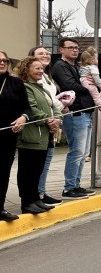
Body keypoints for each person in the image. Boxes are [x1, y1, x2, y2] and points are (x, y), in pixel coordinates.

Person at [15, 57, 62, 214]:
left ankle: (35, 199)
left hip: (43, 137)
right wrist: (49, 120)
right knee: (27, 171)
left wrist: (57, 118)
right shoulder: (25, 87)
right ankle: (27, 202)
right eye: (37, 68)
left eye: (42, 68)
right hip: (31, 136)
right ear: (26, 70)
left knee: (37, 171)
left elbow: (53, 105)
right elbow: (31, 109)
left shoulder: (41, 88)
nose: (41, 71)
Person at [51, 37, 95, 198]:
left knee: (83, 153)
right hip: (75, 113)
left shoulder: (76, 66)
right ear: (61, 49)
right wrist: (91, 88)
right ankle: (69, 187)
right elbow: (70, 86)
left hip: (86, 112)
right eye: (70, 47)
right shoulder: (60, 66)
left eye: (76, 48)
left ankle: (75, 185)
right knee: (76, 151)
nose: (75, 50)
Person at [28, 46, 66, 206]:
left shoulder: (47, 76)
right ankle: (36, 195)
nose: (45, 55)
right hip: (42, 125)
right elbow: (44, 101)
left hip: (52, 121)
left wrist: (57, 118)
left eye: (47, 53)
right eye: (40, 54)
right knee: (38, 163)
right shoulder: (33, 79)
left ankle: (41, 192)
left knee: (47, 160)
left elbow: (51, 101)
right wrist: (52, 118)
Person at [0, 51, 32, 220]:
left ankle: (0, 208)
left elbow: (27, 108)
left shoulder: (16, 83)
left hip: (8, 137)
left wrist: (23, 118)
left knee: (3, 172)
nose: (2, 63)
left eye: (5, 60)